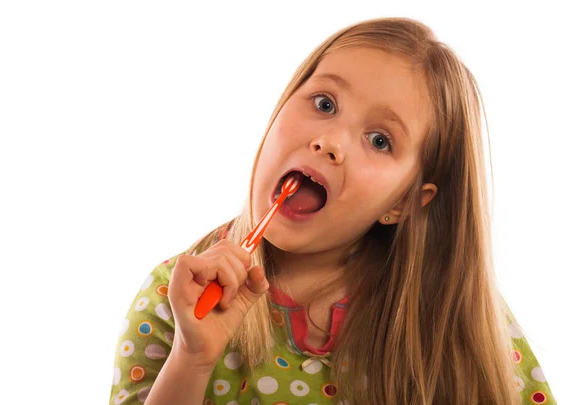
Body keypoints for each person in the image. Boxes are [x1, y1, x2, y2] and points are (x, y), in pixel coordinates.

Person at [109, 17, 556, 405]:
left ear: (403, 202)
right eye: (324, 104)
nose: (331, 142)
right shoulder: (175, 300)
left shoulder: (454, 317)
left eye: (380, 140)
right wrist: (193, 358)